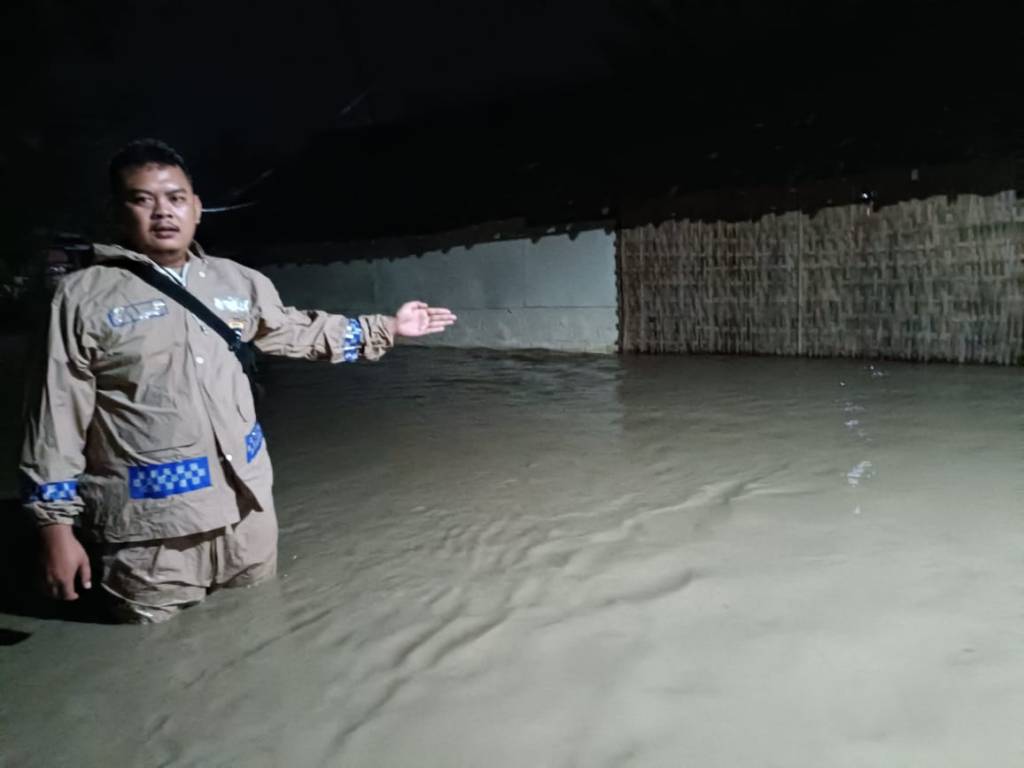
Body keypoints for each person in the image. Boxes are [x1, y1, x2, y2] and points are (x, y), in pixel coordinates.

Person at [19, 139, 457, 623]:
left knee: (258, 625)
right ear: (117, 212)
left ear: (196, 207)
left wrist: (389, 328)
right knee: (163, 652)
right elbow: (55, 418)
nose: (163, 212)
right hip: (153, 532)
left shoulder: (238, 283)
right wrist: (55, 531)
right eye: (143, 200)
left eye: (175, 198)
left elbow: (297, 331)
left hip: (248, 515)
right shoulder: (81, 298)